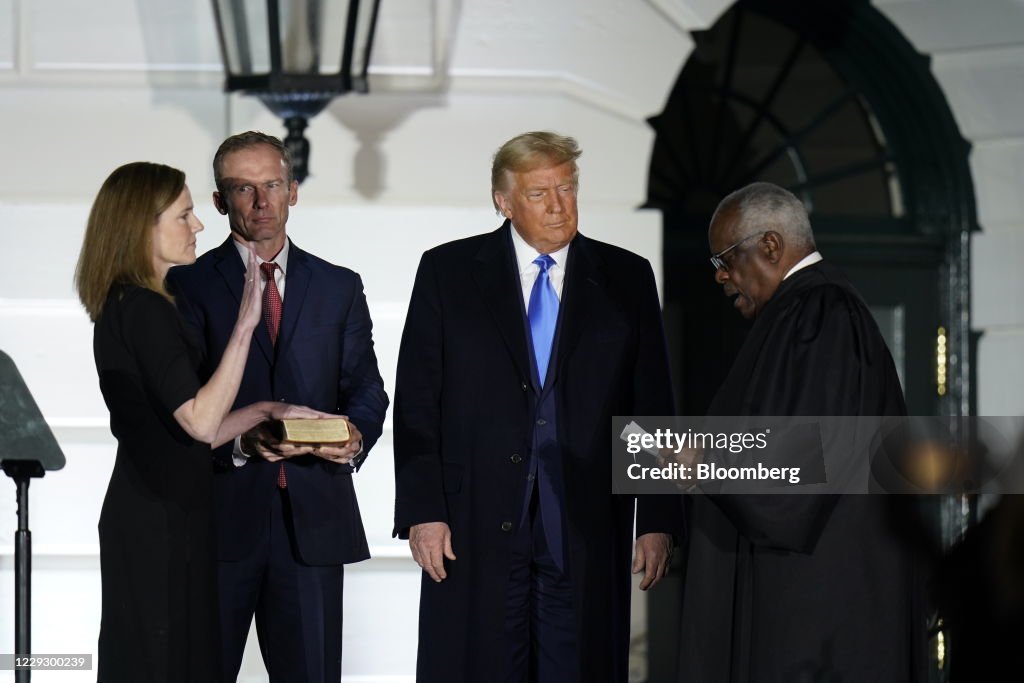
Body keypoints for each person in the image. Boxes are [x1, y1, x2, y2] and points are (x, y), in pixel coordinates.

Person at [393, 131, 680, 683]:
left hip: (586, 524)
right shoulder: (447, 273)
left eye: (567, 189)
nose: (558, 205)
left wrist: (659, 517)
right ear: (503, 201)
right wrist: (423, 511)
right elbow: (417, 403)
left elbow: (653, 404)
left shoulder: (627, 277)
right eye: (539, 194)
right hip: (471, 524)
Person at [75, 162, 320, 682]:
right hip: (160, 521)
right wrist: (246, 323)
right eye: (184, 215)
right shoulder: (145, 307)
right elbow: (201, 424)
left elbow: (178, 423)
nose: (198, 226)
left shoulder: (126, 304)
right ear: (143, 225)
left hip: (159, 511)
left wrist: (266, 411)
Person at [675, 182, 927, 682]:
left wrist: (703, 462)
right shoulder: (805, 313)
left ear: (770, 244)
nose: (722, 276)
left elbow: (800, 468)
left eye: (724, 259)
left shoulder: (820, 313)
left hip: (817, 611)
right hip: (815, 594)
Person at [166, 132, 389, 683]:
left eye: (271, 185)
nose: (262, 202)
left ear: (293, 191)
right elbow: (180, 405)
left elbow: (367, 390)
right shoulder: (184, 286)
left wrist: (351, 438)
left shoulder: (339, 286)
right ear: (220, 202)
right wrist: (243, 444)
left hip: (314, 521)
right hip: (218, 522)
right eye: (244, 189)